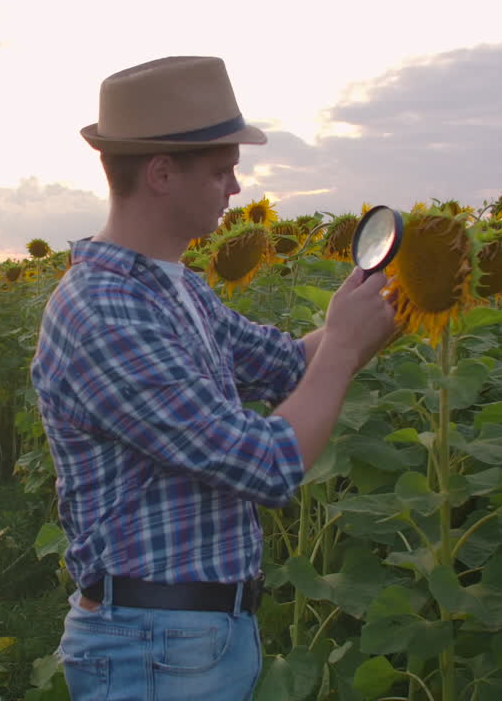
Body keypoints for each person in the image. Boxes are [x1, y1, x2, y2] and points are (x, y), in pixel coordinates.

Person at [29, 56, 399, 699]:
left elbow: (287, 364)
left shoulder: (172, 290)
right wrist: (343, 347)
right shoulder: (106, 312)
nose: (235, 189)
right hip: (154, 645)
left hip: (189, 637)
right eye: (223, 170)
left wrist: (381, 305)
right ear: (163, 173)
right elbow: (266, 462)